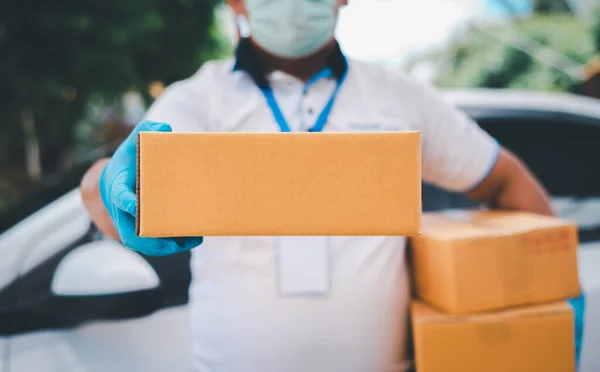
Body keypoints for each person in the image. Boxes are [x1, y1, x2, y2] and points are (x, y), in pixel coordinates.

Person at [80, 0, 555, 371]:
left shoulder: (398, 96)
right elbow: (113, 181)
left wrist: (544, 295)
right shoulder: (198, 102)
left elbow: (507, 180)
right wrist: (106, 189)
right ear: (237, 3)